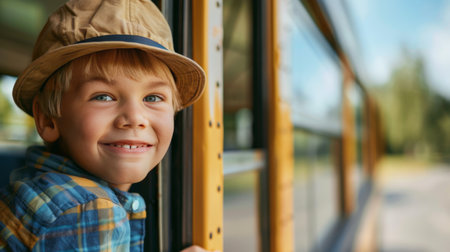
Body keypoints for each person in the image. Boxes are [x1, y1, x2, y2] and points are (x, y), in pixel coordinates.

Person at [0, 0, 214, 251]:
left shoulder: (36, 187)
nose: (135, 117)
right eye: (103, 96)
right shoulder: (87, 211)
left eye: (153, 98)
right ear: (48, 118)